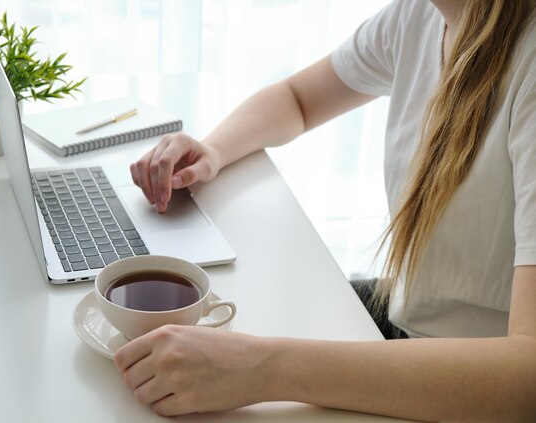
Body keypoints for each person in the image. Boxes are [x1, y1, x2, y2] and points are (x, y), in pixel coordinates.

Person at [113, 0, 536, 421]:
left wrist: (263, 368)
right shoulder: (419, 16)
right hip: (409, 323)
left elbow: (526, 377)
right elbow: (297, 99)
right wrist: (213, 150)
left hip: (471, 389)